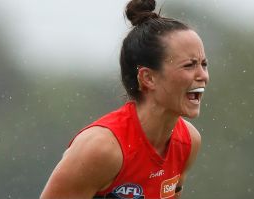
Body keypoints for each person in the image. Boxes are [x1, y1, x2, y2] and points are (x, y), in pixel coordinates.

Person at [40, 0, 209, 198]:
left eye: (204, 64)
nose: (203, 76)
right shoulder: (101, 149)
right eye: (189, 65)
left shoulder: (189, 142)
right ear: (148, 78)